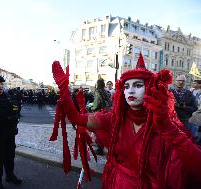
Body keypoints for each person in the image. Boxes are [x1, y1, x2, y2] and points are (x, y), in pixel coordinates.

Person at [52, 53, 201, 188]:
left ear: (150, 88)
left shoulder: (166, 124)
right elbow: (76, 118)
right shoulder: (115, 119)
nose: (130, 90)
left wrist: (168, 128)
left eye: (138, 85)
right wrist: (65, 93)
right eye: (127, 86)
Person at [91, 78, 112, 155]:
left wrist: (92, 108)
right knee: (104, 131)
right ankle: (103, 147)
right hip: (106, 112)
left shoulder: (98, 91)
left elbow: (96, 103)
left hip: (99, 113)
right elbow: (109, 101)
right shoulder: (104, 90)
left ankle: (100, 149)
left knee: (98, 131)